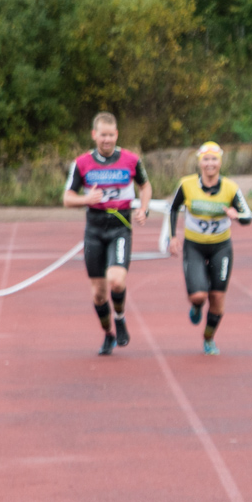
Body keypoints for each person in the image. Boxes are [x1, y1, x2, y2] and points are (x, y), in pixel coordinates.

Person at [63, 112, 152, 355]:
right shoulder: (81, 163)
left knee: (116, 279)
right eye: (103, 135)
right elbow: (67, 198)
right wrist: (86, 199)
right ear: (94, 135)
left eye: (111, 135)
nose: (107, 140)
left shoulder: (131, 160)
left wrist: (144, 208)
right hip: (94, 229)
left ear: (117, 135)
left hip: (120, 227)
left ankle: (120, 317)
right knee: (99, 294)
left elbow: (145, 186)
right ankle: (108, 333)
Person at [167, 142, 252, 355]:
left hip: (220, 248)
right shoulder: (187, 185)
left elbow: (247, 217)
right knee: (198, 296)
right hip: (194, 246)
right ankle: (196, 307)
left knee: (217, 299)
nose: (210, 163)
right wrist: (173, 237)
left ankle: (209, 338)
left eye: (214, 159)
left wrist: (237, 216)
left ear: (220, 162)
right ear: (200, 163)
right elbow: (173, 208)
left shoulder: (230, 188)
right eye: (206, 159)